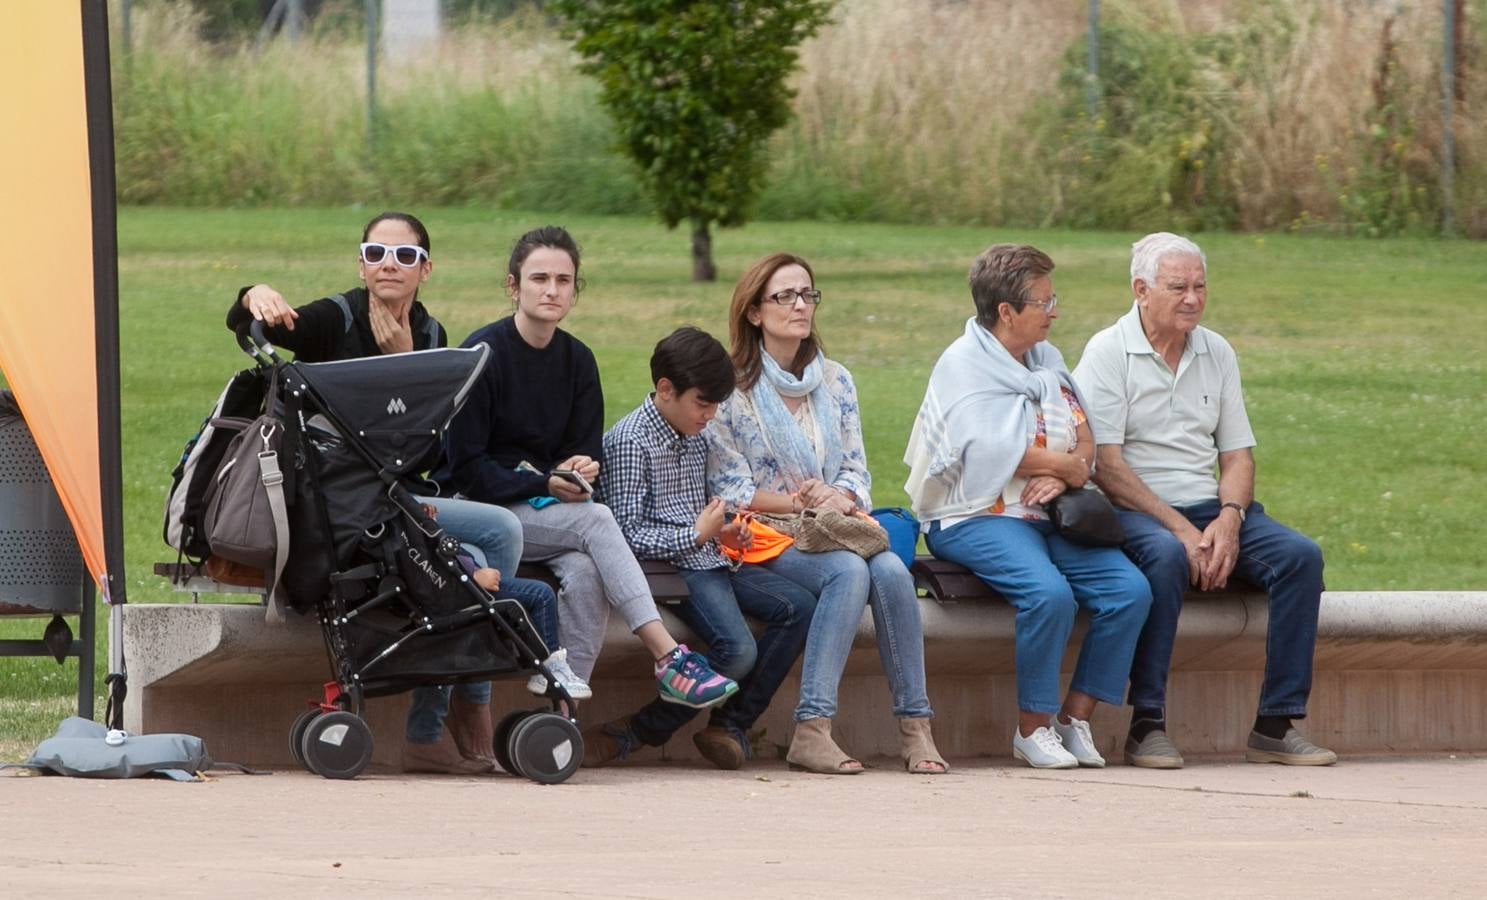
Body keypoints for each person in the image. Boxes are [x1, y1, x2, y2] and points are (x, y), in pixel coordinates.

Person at [227, 211, 535, 775]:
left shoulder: (434, 337)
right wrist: (255, 293)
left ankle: (470, 693)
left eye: (404, 256)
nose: (388, 265)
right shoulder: (334, 319)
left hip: (398, 498)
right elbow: (253, 327)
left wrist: (405, 362)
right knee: (486, 548)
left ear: (426, 269)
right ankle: (442, 715)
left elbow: (427, 455)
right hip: (343, 507)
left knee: (501, 530)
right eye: (375, 254)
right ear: (361, 264)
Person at [434, 225, 739, 712]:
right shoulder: (483, 354)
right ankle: (668, 658)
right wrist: (545, 480)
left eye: (563, 280)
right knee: (597, 521)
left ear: (576, 290)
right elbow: (467, 470)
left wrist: (577, 475)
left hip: (545, 512)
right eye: (539, 279)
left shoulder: (578, 361)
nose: (551, 290)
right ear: (514, 286)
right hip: (479, 510)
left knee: (586, 571)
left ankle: (560, 710)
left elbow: (582, 457)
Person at [1072, 232, 1335, 768]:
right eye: (1178, 287)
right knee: (1168, 558)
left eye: (1200, 286)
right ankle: (1147, 724)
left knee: (1300, 558)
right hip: (1135, 511)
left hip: (1210, 511)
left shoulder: (1216, 350)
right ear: (1141, 290)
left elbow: (1238, 457)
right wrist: (1184, 531)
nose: (1192, 298)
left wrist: (1230, 520)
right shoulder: (1107, 352)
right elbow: (1106, 464)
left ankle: (1275, 724)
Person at [905, 244, 1151, 769]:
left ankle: (1073, 718)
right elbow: (983, 453)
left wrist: (1068, 472)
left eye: (1052, 298)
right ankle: (1031, 728)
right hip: (975, 513)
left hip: (1047, 512)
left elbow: (1086, 439)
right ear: (1007, 312)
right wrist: (1060, 468)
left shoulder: (1048, 360)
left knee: (1129, 591)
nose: (1054, 311)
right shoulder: (963, 365)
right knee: (1049, 595)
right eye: (1043, 302)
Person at [706, 253, 947, 775]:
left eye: (807, 294)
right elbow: (732, 489)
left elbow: (857, 469)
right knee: (848, 570)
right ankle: (813, 728)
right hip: (761, 534)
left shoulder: (836, 381)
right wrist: (800, 502)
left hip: (831, 524)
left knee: (889, 570)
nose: (800, 306)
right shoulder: (730, 388)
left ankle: (916, 726)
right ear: (754, 311)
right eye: (785, 296)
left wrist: (839, 498)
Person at [587, 327, 819, 770]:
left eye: (716, 404)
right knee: (738, 651)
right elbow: (623, 537)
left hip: (710, 558)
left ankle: (729, 723)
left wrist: (723, 532)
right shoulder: (629, 442)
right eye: (703, 403)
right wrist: (695, 534)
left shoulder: (693, 433)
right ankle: (633, 733)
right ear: (665, 389)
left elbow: (696, 513)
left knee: (798, 606)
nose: (711, 415)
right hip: (673, 570)